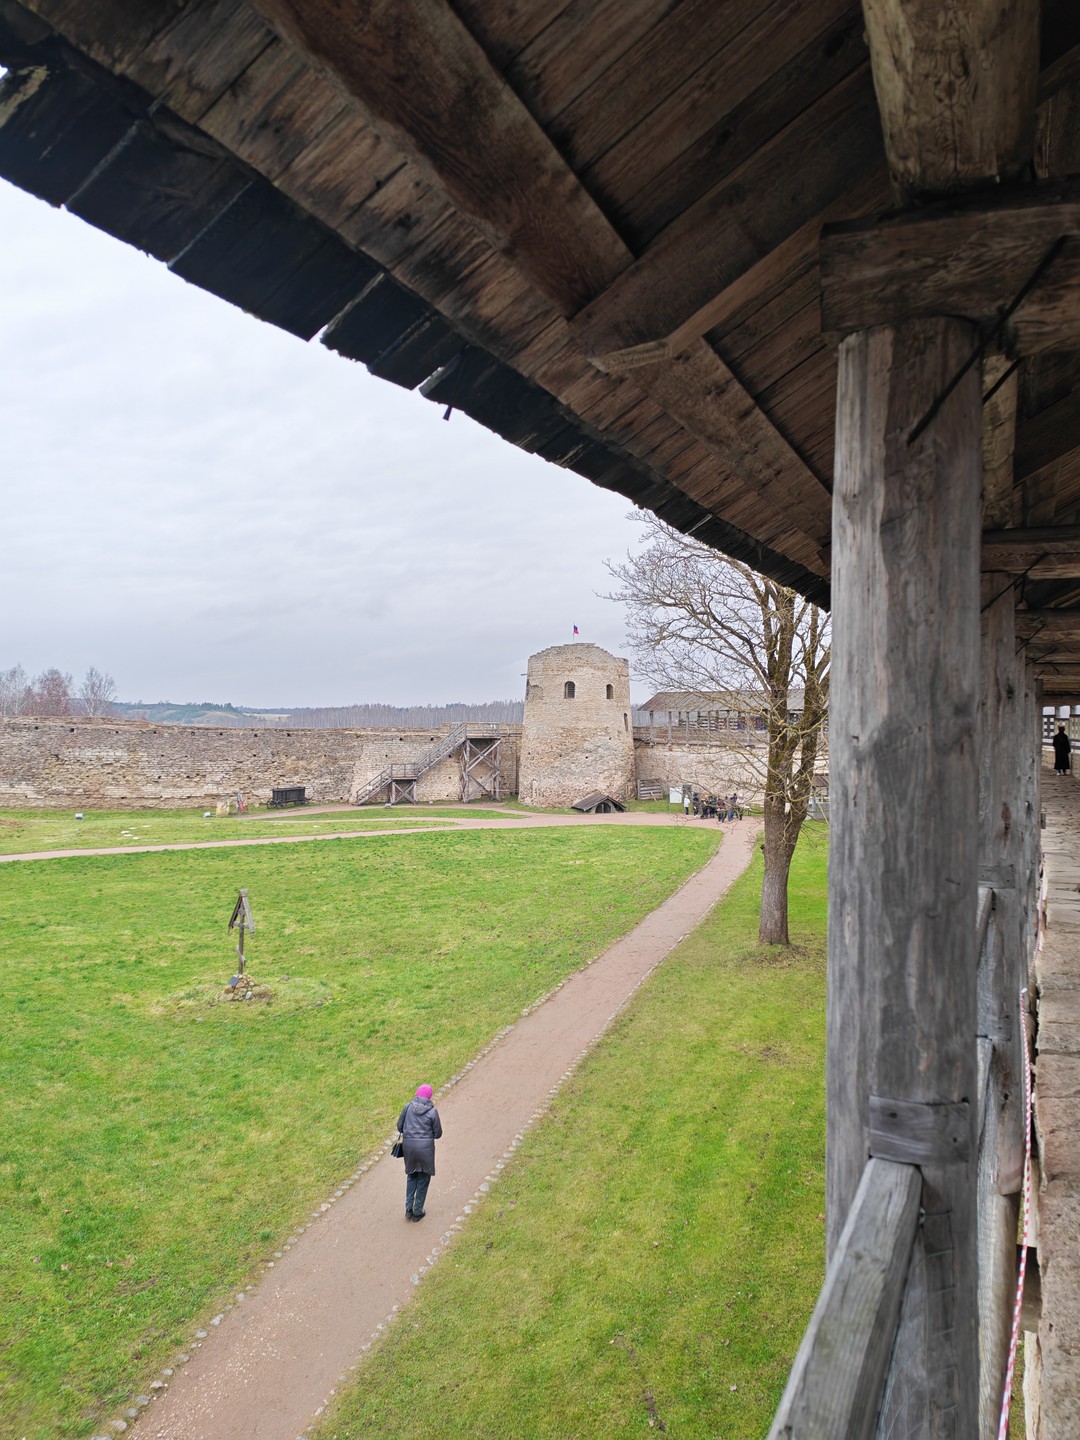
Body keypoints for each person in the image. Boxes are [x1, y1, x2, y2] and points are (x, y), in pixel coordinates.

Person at [396, 1083, 443, 1221]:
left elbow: (400, 1127)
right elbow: (438, 1133)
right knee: (423, 1178)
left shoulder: (407, 1107)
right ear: (429, 1096)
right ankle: (418, 1211)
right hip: (425, 1150)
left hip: (409, 1148)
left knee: (411, 1176)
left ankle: (408, 1209)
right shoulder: (432, 1112)